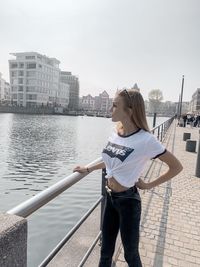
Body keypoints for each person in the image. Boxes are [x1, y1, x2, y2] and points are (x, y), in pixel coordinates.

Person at [73, 88, 183, 267]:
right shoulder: (116, 133)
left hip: (128, 202)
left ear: (129, 111)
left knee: (130, 254)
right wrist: (88, 168)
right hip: (110, 198)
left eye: (115, 105)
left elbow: (176, 166)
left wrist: (148, 185)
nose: (110, 109)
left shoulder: (146, 140)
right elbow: (109, 160)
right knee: (105, 252)